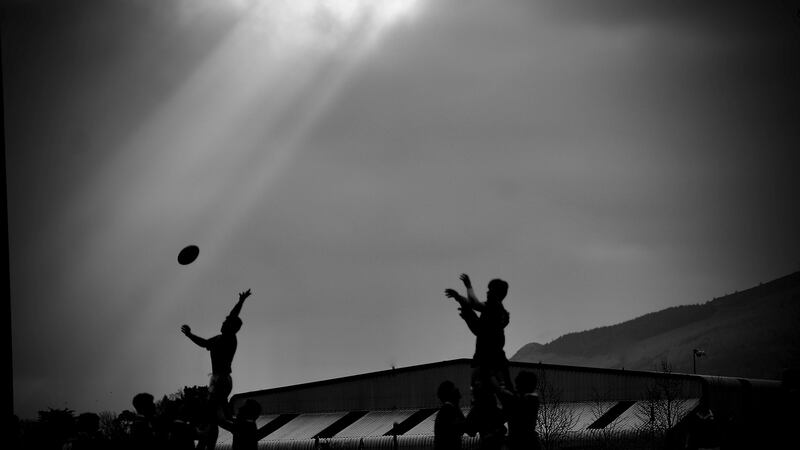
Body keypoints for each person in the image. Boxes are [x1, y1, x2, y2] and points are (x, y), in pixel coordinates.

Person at [445, 274, 512, 448]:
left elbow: (474, 305)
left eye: (490, 290)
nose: (487, 293)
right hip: (491, 362)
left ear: (496, 294)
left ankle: (477, 424)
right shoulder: (495, 314)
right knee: (492, 397)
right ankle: (484, 424)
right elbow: (477, 326)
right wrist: (463, 304)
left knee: (485, 397)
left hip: (489, 362)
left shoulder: (494, 310)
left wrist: (467, 288)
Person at [182, 288, 252, 449]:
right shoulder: (223, 338)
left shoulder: (226, 339)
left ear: (231, 328)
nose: (222, 323)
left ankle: (237, 431)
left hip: (220, 379)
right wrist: (240, 302)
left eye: (225, 323)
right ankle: (224, 435)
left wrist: (241, 302)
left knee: (213, 417)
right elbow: (205, 342)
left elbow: (230, 318)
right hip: (222, 379)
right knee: (214, 418)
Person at [499, 371, 541, 450]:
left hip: (522, 443)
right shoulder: (530, 399)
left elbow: (505, 414)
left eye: (518, 385)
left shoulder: (529, 400)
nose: (516, 387)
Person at [434, 381, 470, 450]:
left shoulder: (446, 409)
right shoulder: (447, 410)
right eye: (455, 389)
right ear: (450, 393)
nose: (458, 391)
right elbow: (465, 427)